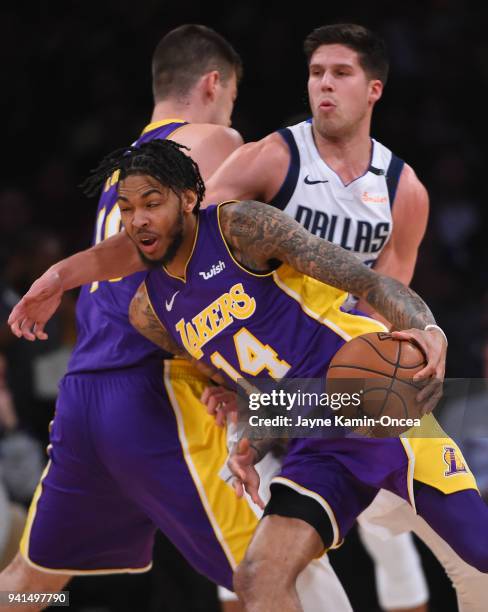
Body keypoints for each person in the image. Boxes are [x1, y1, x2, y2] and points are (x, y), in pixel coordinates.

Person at [1, 24, 354, 612]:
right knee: (281, 575)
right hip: (158, 387)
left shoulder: (124, 174)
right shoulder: (214, 139)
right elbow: (233, 263)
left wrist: (62, 274)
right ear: (215, 84)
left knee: (33, 581)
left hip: (86, 396)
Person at [61, 139, 488, 612]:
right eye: (126, 207)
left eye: (151, 203)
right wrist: (251, 435)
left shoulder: (239, 227)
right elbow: (252, 379)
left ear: (186, 198)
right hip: (315, 439)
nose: (137, 219)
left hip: (370, 400)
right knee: (259, 577)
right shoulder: (149, 311)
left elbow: (364, 279)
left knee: (479, 554)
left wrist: (425, 327)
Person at [201, 23, 488, 612]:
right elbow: (194, 249)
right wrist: (213, 367)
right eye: (315, 73)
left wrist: (413, 349)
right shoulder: (273, 158)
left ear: (374, 89)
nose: (323, 85)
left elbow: (388, 305)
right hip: (263, 381)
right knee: (250, 571)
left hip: (339, 387)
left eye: (340, 73)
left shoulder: (404, 190)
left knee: (442, 549)